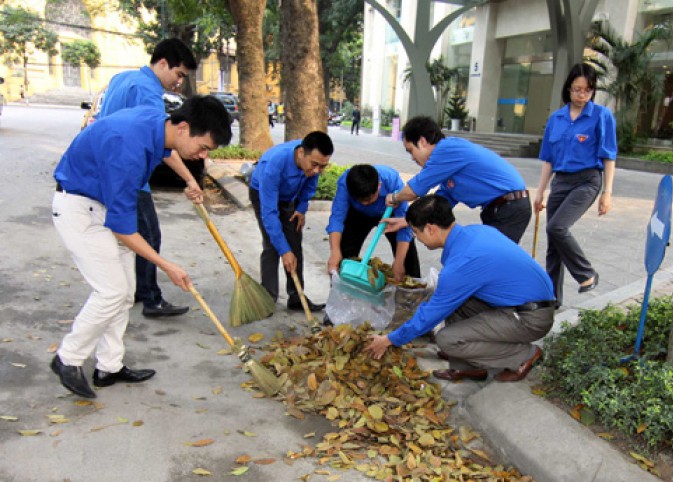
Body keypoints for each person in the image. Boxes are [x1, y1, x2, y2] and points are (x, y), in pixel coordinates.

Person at [51, 96, 232, 398]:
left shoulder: (160, 124)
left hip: (102, 205)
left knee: (124, 294)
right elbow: (123, 229)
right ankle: (67, 359)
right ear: (185, 127)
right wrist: (166, 266)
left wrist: (189, 180)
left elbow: (167, 151)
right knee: (111, 292)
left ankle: (109, 367)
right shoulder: (127, 148)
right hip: (79, 208)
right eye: (204, 148)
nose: (202, 156)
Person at [364, 195, 556, 383]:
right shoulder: (475, 233)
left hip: (530, 318)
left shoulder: (462, 264)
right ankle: (470, 367)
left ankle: (524, 356)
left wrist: (390, 339)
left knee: (447, 339)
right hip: (524, 304)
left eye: (416, 232)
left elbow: (429, 316)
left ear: (430, 229)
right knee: (456, 302)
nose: (418, 238)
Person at [98, 38, 199, 318]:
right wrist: (189, 179)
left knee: (130, 237)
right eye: (178, 74)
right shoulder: (148, 92)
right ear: (163, 63)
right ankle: (150, 298)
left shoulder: (123, 78)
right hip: (128, 173)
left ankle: (136, 290)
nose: (178, 83)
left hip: (110, 167)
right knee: (148, 235)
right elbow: (165, 144)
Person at [534, 63, 617, 306]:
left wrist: (607, 193)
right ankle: (551, 297)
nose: (582, 95)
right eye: (577, 90)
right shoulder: (556, 118)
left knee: (557, 228)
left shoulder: (601, 116)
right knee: (553, 244)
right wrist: (540, 192)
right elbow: (548, 159)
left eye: (588, 91)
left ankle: (586, 274)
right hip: (560, 182)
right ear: (568, 88)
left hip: (587, 180)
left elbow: (609, 156)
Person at [384, 116, 532, 244]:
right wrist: (407, 221)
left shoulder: (446, 150)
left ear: (422, 141)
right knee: (487, 257)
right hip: (501, 208)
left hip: (510, 206)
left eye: (411, 150)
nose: (412, 158)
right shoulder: (447, 167)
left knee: (490, 259)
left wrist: (394, 197)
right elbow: (437, 204)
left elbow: (414, 191)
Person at [249, 131, 334, 312]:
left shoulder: (313, 162)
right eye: (315, 165)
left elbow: (310, 185)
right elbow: (270, 214)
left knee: (295, 244)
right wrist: (284, 250)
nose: (317, 170)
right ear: (301, 153)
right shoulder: (273, 165)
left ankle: (297, 297)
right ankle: (268, 297)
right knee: (273, 245)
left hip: (289, 198)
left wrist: (301, 208)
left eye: (323, 166)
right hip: (263, 195)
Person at [326, 164, 420, 282]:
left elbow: (404, 225)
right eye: (360, 200)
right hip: (357, 214)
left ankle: (413, 296)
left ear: (379, 187)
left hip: (389, 213)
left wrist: (399, 262)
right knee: (343, 257)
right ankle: (342, 294)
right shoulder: (346, 183)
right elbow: (337, 218)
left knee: (407, 260)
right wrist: (334, 252)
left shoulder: (392, 182)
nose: (365, 203)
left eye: (369, 199)